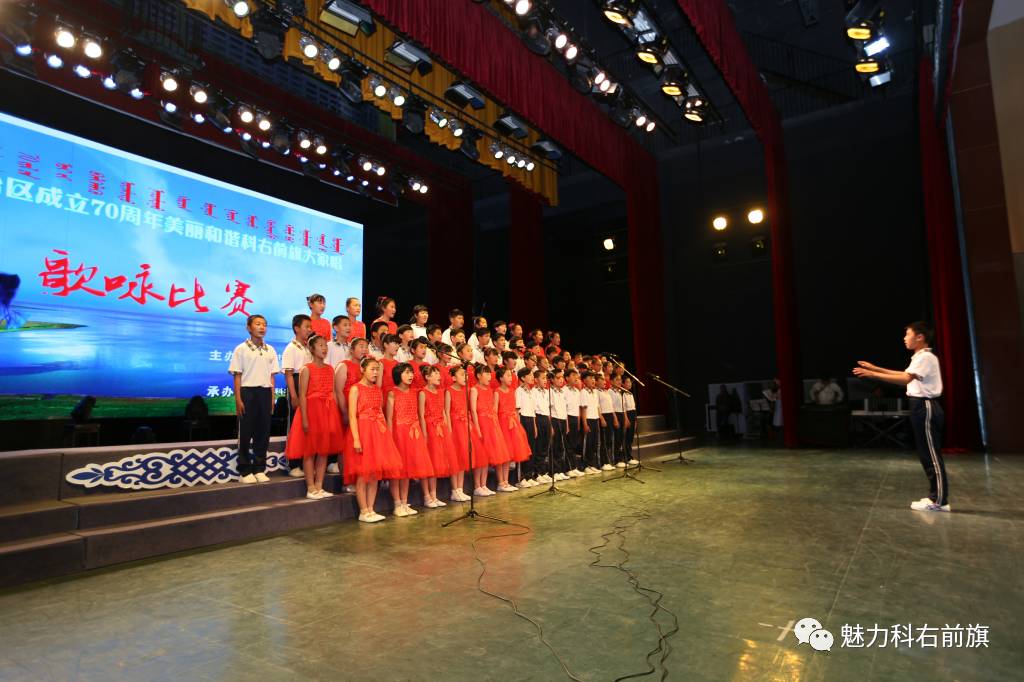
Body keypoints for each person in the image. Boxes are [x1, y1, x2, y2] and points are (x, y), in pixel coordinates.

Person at [853, 322, 950, 512]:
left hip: (925, 406)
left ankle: (939, 500)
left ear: (920, 337)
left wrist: (872, 374)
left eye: (908, 335)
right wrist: (876, 368)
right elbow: (905, 374)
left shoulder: (926, 357)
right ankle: (935, 497)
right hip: (919, 406)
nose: (905, 338)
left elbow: (905, 379)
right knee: (926, 453)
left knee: (931, 454)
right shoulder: (920, 357)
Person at [344, 358, 403, 523]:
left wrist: (385, 435)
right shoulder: (355, 389)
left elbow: (380, 413)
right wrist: (356, 439)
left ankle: (371, 508)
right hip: (363, 432)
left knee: (375, 474)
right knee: (363, 473)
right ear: (362, 369)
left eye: (377, 369)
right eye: (372, 369)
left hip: (377, 432)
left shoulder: (377, 389)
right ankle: (363, 510)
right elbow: (352, 416)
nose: (375, 372)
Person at [285, 335, 343, 499]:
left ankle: (319, 485)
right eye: (320, 345)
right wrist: (304, 418)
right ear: (311, 349)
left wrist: (335, 415)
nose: (324, 348)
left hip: (327, 412)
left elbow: (332, 392)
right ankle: (310, 487)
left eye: (325, 345)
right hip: (311, 412)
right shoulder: (306, 369)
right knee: (309, 451)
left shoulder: (330, 369)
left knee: (323, 451)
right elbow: (302, 395)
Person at [229, 314, 280, 484]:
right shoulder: (241, 349)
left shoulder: (270, 349)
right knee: (245, 433)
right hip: (247, 392)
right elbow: (237, 375)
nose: (262, 327)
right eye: (258, 324)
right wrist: (238, 399)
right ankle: (244, 470)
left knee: (263, 433)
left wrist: (272, 398)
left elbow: (272, 377)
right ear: (248, 328)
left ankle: (259, 468)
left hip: (265, 393)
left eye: (264, 324)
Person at [386, 363, 434, 517]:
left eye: (411, 372)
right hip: (399, 434)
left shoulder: (415, 393)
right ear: (398, 374)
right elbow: (389, 418)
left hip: (413, 434)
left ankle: (404, 502)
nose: (410, 375)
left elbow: (419, 415)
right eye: (407, 372)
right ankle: (397, 504)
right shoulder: (392, 393)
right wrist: (389, 438)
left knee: (407, 470)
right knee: (397, 472)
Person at [470, 364, 512, 496]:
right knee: (480, 456)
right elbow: (473, 411)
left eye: (490, 374)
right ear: (479, 376)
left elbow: (493, 409)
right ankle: (477, 486)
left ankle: (484, 484)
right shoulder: (474, 390)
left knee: (487, 456)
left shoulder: (489, 390)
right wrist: (477, 428)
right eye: (486, 374)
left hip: (491, 424)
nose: (489, 377)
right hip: (481, 424)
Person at [281, 314, 313, 479]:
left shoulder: (308, 347)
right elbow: (288, 374)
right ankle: (293, 464)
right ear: (296, 328)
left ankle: (304, 462)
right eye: (306, 326)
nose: (309, 329)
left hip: (308, 388)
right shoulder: (291, 348)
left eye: (310, 327)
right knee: (295, 426)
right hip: (296, 384)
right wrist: (293, 396)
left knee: (306, 427)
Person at [419, 365, 450, 508]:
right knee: (428, 464)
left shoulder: (440, 392)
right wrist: (425, 433)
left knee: (436, 463)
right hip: (429, 429)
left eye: (439, 373)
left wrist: (446, 428)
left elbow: (443, 411)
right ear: (427, 377)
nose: (439, 376)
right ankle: (427, 496)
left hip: (440, 429)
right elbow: (421, 415)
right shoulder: (422, 393)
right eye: (435, 374)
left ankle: (434, 495)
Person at [496, 366, 533, 486]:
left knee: (509, 454)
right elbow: (495, 412)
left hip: (512, 424)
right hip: (502, 424)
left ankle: (506, 481)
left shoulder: (512, 391)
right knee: (501, 454)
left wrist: (517, 425)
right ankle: (501, 482)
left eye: (511, 375)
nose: (510, 378)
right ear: (501, 378)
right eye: (507, 375)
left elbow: (514, 410)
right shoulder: (497, 392)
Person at [446, 365, 473, 501]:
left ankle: (460, 489)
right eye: (462, 374)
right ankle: (454, 490)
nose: (465, 377)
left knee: (463, 457)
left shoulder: (465, 390)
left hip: (464, 426)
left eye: (466, 374)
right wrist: (449, 430)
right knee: (455, 458)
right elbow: (446, 411)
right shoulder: (449, 391)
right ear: (453, 378)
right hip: (454, 427)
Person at [515, 367, 539, 488]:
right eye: (529, 375)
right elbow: (517, 410)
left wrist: (534, 426)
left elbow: (533, 411)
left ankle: (529, 475)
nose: (532, 377)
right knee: (523, 449)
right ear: (523, 378)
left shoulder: (531, 391)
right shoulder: (518, 391)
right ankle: (521, 477)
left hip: (530, 420)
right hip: (523, 420)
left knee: (532, 448)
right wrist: (518, 427)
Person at [532, 369, 553, 483]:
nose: (545, 380)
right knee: (539, 446)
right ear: (536, 380)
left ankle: (543, 471)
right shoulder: (533, 391)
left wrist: (550, 425)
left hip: (546, 419)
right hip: (538, 418)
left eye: (546, 378)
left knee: (545, 446)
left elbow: (548, 410)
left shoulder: (546, 392)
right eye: (543, 378)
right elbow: (533, 410)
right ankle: (537, 473)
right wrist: (535, 424)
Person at [580, 371, 602, 474]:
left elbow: (597, 407)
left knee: (594, 443)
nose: (593, 380)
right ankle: (585, 466)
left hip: (595, 419)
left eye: (593, 378)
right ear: (584, 380)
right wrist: (585, 424)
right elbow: (583, 409)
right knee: (587, 444)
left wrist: (600, 419)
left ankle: (592, 464)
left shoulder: (595, 392)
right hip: (588, 420)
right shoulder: (583, 392)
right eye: (590, 378)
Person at [564, 368, 584, 476]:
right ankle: (569, 468)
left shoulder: (577, 391)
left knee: (574, 444)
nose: (576, 378)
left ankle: (574, 466)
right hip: (568, 418)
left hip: (576, 418)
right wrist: (567, 424)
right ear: (567, 378)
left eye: (576, 375)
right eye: (573, 375)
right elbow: (564, 408)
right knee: (568, 444)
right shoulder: (564, 390)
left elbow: (578, 408)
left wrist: (579, 421)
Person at [622, 376, 639, 466]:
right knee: (626, 437)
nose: (630, 384)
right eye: (627, 382)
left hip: (632, 414)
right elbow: (624, 407)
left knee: (631, 437)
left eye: (630, 382)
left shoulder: (631, 394)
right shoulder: (623, 394)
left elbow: (634, 407)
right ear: (623, 384)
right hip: (627, 415)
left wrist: (635, 420)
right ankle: (626, 457)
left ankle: (629, 456)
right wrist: (626, 418)